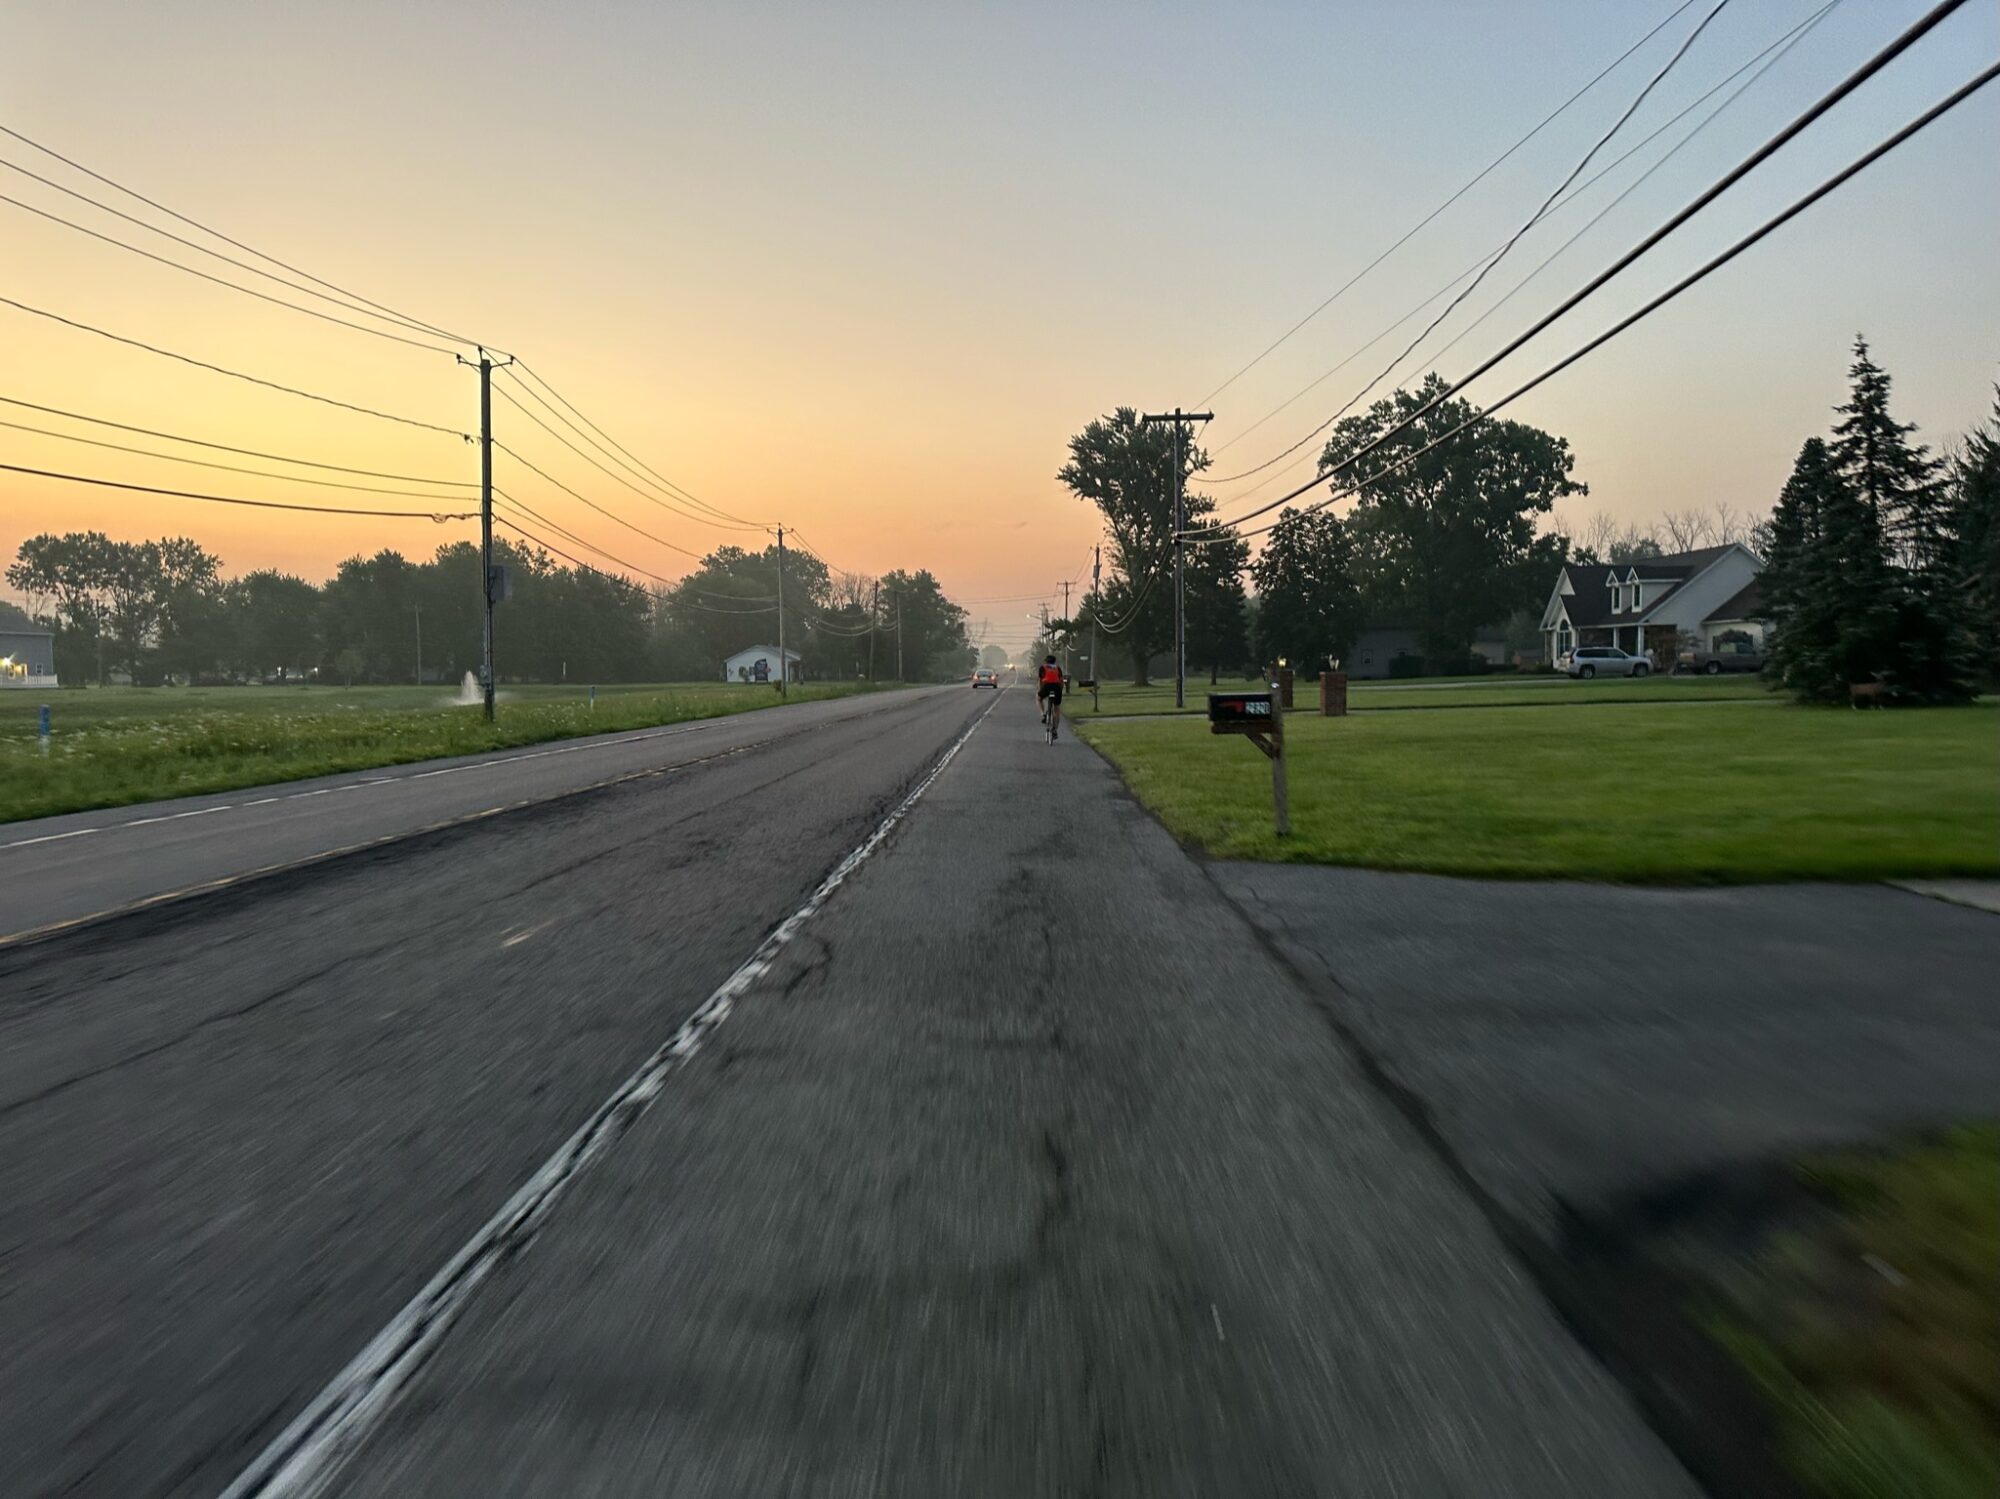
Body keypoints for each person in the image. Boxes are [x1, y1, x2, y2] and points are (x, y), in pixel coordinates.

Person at [1036, 655, 1065, 739]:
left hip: (1046, 686)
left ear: (1046, 661)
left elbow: (1040, 681)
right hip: (1057, 687)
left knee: (1038, 698)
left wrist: (1041, 690)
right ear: (1054, 662)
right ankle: (1055, 730)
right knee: (1057, 708)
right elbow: (1061, 681)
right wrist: (1060, 690)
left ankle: (1043, 714)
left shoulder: (1042, 667)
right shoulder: (1058, 668)